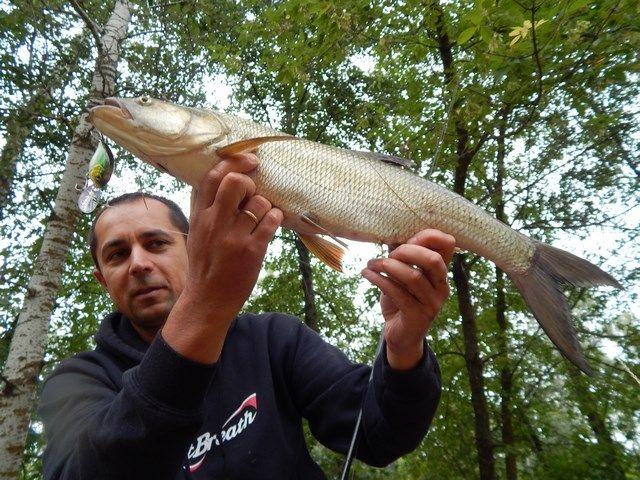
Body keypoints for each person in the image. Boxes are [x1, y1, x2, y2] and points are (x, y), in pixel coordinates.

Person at [38, 153, 455, 479]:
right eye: (117, 254)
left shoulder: (274, 338)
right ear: (102, 279)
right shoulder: (78, 380)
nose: (139, 264)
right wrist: (206, 304)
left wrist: (403, 349)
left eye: (156, 243)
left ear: (192, 245)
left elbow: (379, 435)